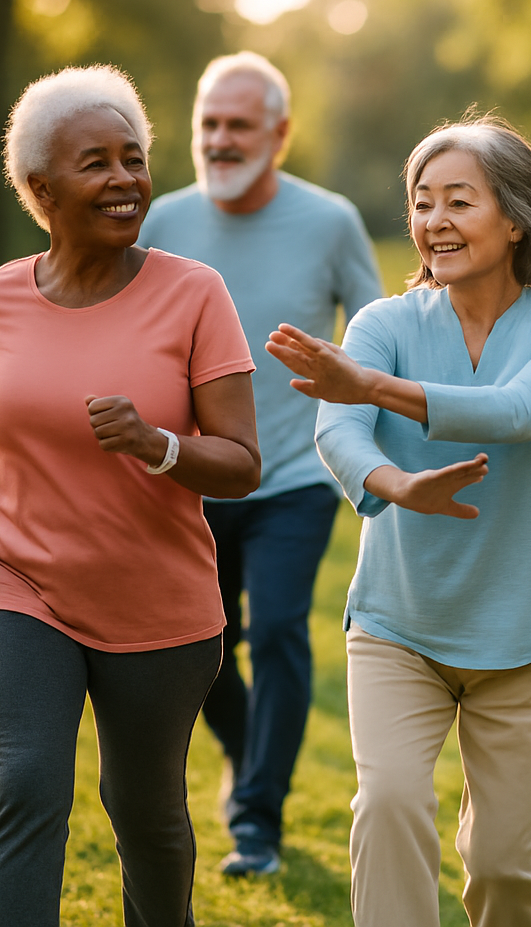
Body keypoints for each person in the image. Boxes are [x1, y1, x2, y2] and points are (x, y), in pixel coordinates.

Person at [266, 116, 531, 927]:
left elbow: (525, 409)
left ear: (519, 218)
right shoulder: (386, 325)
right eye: (423, 203)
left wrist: (371, 388)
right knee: (387, 806)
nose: (435, 221)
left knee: (502, 868)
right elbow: (337, 429)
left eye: (460, 201)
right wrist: (397, 484)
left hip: (530, 636)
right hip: (401, 624)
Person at [0, 66, 260, 927]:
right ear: (41, 188)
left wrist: (158, 446)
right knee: (25, 785)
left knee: (147, 817)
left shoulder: (194, 294)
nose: (125, 180)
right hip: (19, 586)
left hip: (157, 602)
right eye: (97, 164)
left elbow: (239, 463)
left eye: (134, 160)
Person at [138, 51, 383, 876]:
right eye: (208, 123)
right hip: (191, 472)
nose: (220, 139)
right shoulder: (160, 220)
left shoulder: (331, 220)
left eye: (239, 124)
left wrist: (370, 428)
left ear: (280, 133)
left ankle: (257, 821)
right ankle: (249, 763)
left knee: (277, 630)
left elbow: (377, 332)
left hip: (294, 475)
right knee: (202, 645)